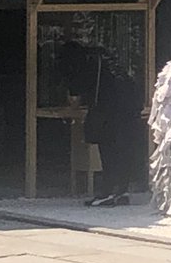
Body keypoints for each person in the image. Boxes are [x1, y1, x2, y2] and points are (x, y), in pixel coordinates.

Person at [59, 40, 144, 206]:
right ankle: (122, 191)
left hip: (108, 109)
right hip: (131, 106)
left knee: (108, 150)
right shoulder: (105, 57)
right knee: (123, 149)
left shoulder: (77, 65)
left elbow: (75, 99)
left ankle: (108, 192)